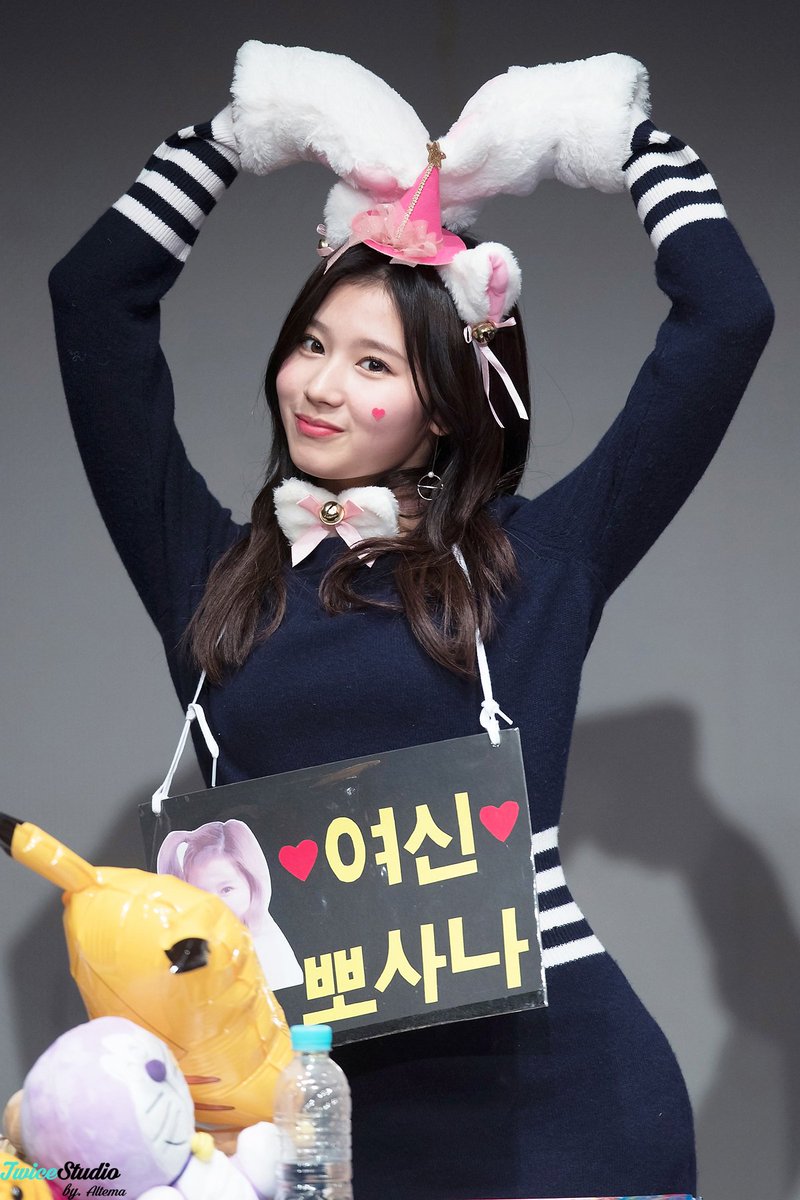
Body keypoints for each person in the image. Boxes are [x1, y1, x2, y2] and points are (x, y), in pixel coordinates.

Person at [48, 44, 773, 1200]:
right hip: (302, 1116)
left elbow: (726, 317)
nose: (320, 386)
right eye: (310, 344)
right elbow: (92, 300)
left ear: (441, 408)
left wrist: (615, 137)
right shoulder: (211, 574)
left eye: (371, 362)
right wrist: (238, 133)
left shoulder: (533, 566)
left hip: (566, 1116)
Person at [156, 819, 303, 991]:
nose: (215, 905)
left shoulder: (266, 949)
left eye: (226, 890)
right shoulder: (199, 945)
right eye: (200, 893)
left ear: (252, 884)